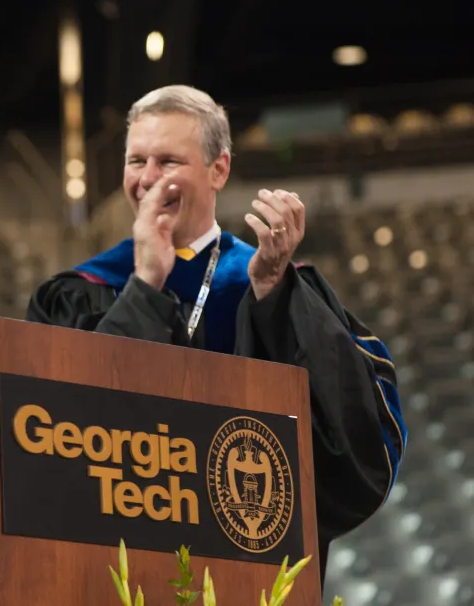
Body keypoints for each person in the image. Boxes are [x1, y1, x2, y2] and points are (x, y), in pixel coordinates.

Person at [26, 85, 406, 582]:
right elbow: (60, 434)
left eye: (169, 161)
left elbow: (354, 433)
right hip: (114, 570)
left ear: (219, 170)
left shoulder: (265, 279)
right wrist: (144, 284)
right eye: (136, 160)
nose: (148, 180)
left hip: (248, 564)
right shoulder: (82, 291)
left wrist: (274, 292)